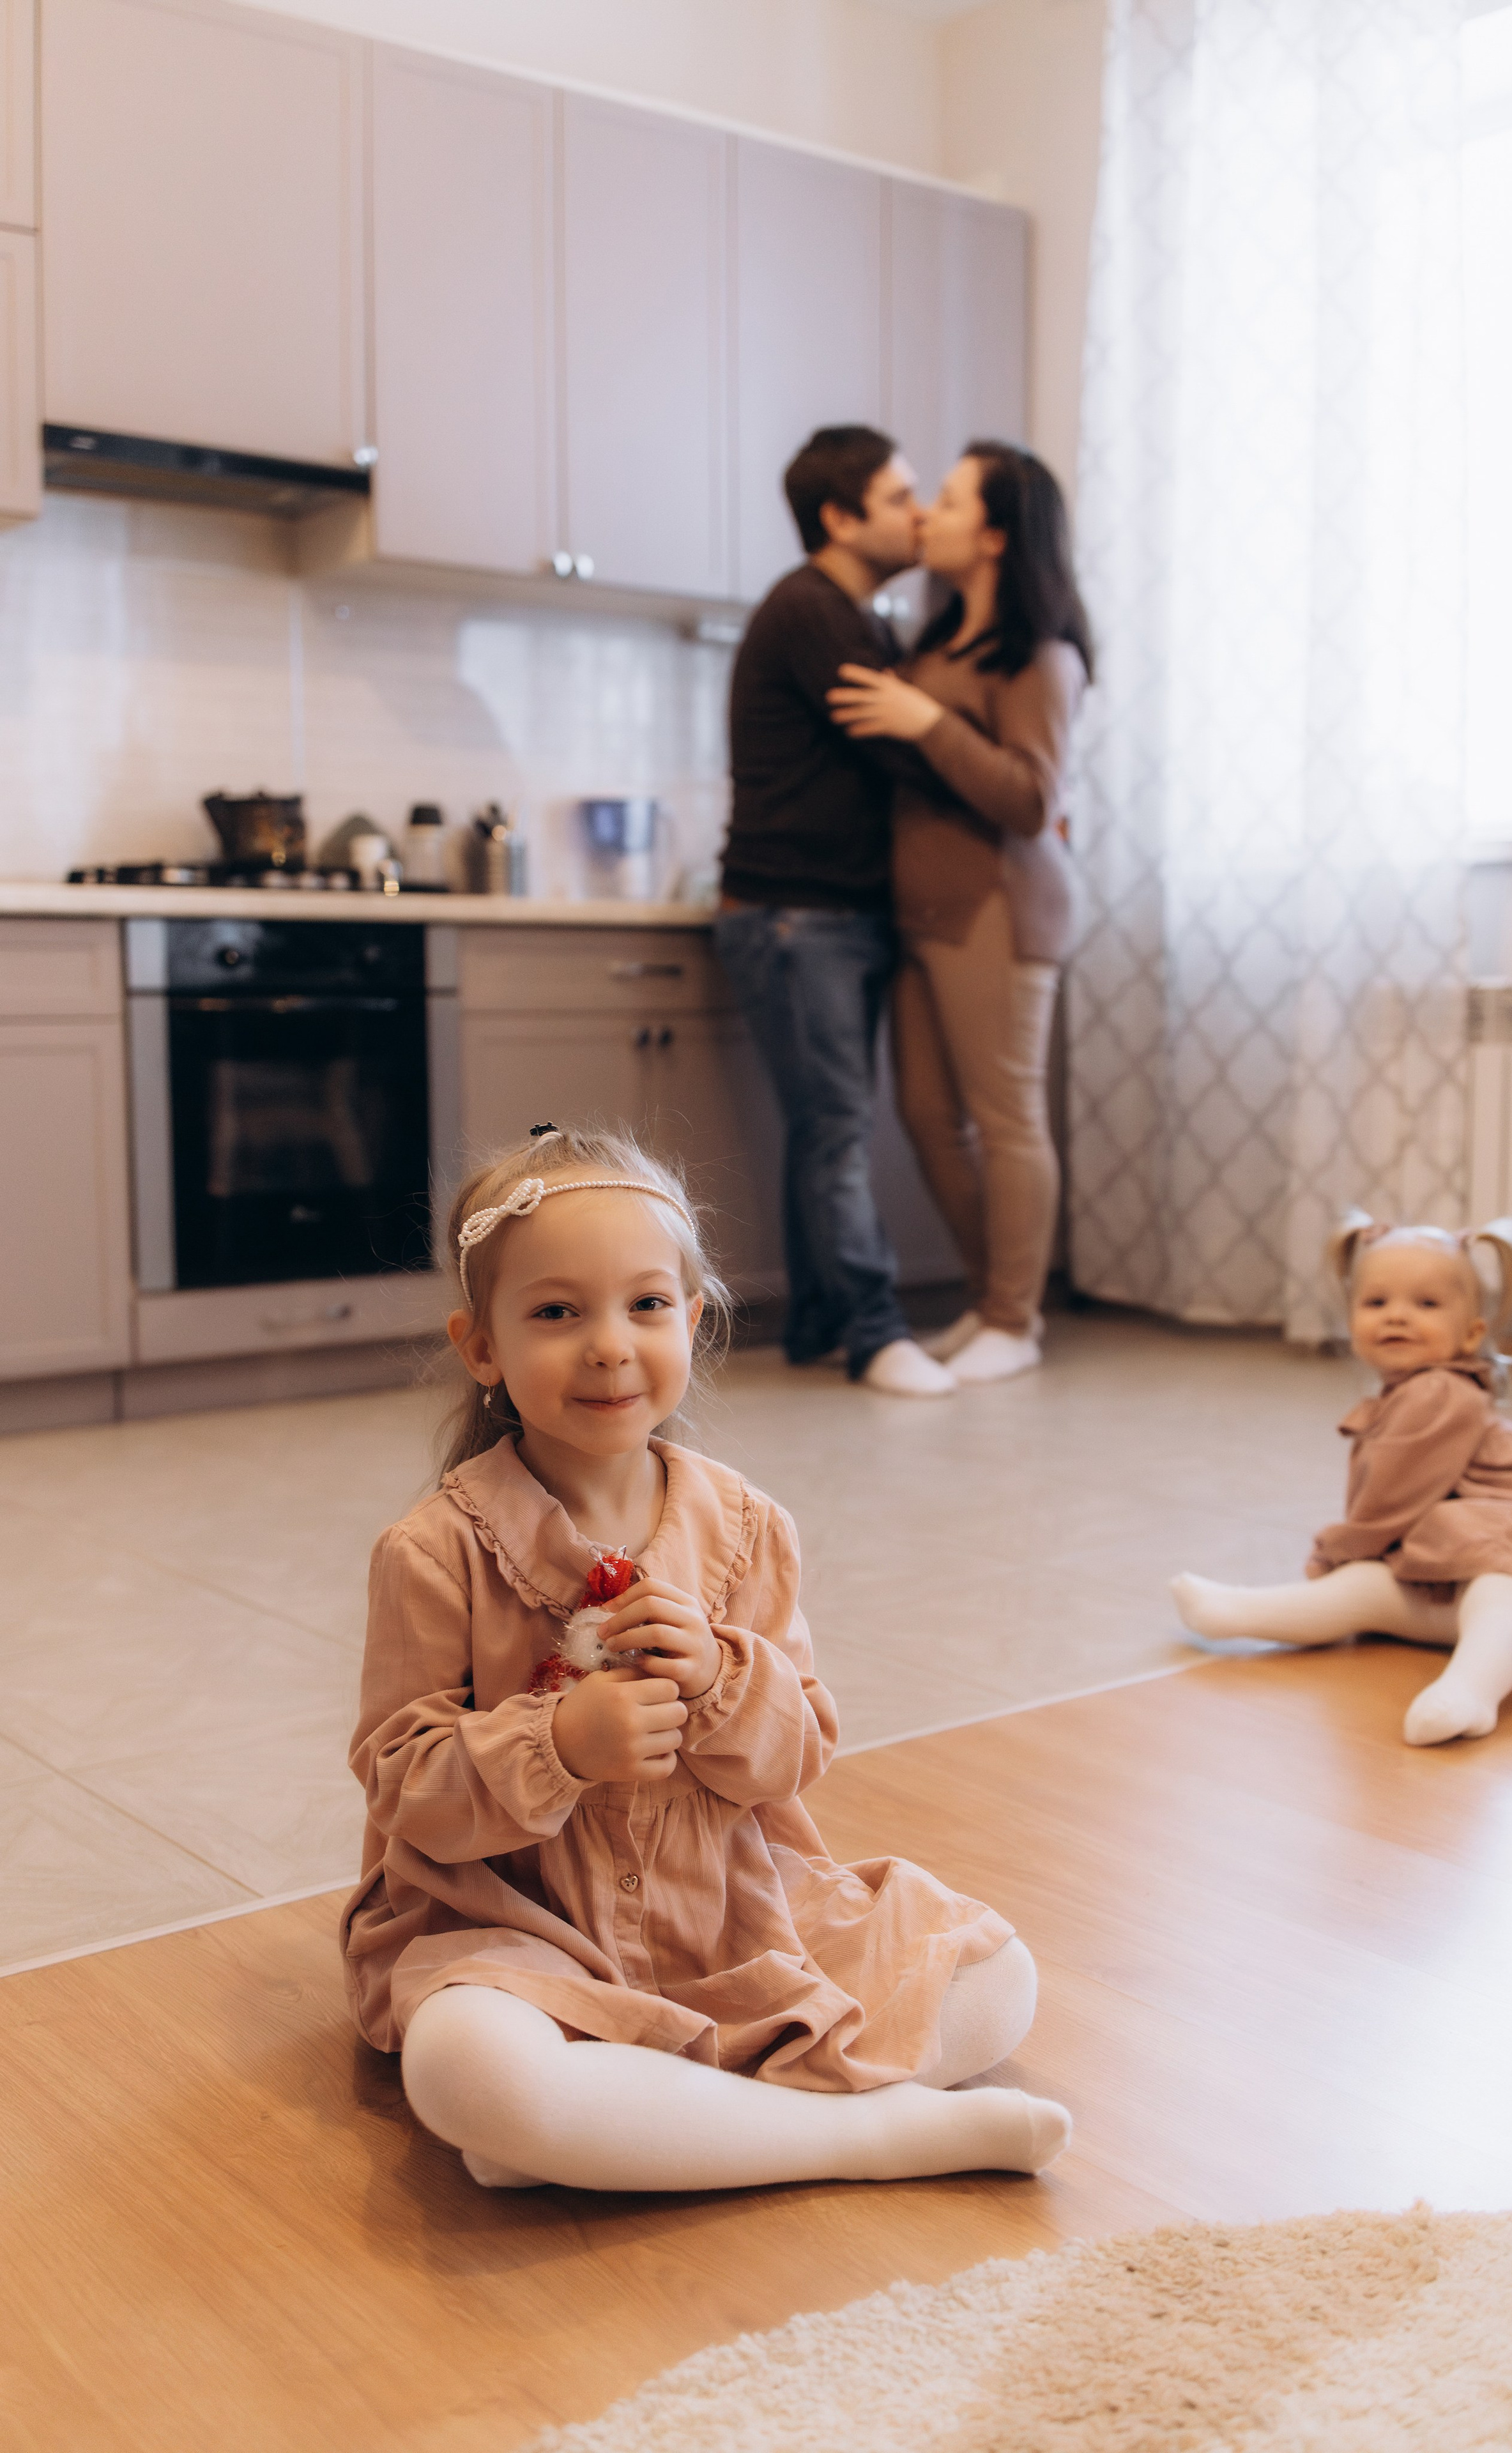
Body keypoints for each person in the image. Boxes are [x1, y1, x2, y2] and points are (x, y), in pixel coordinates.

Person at [342, 1122, 1071, 2191]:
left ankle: (612, 2131)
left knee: (1001, 1979)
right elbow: (405, 1787)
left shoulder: (748, 1529)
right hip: (515, 1931)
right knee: (469, 2070)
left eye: (645, 1305)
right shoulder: (434, 1550)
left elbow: (799, 1751)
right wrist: (558, 1745)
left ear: (690, 1320)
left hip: (733, 1914)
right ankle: (865, 2138)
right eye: (557, 1313)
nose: (609, 1345)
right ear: (481, 1346)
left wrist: (725, 1682)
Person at [827, 443, 1093, 1386]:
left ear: (994, 535)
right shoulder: (934, 648)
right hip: (923, 911)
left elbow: (1031, 799)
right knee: (930, 1118)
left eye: (946, 501)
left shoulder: (1042, 657)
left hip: (999, 907)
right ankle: (990, 1303)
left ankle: (1015, 1320)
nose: (925, 516)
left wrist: (927, 724)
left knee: (1005, 1117)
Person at [715, 425, 958, 1398]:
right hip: (796, 914)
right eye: (901, 498)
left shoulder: (851, 616)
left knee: (825, 1128)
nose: (922, 514)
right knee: (837, 1129)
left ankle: (820, 1323)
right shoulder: (816, 611)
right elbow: (904, 752)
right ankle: (874, 1331)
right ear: (840, 518)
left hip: (820, 914)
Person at [1170, 1215, 1512, 1746]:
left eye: (1426, 1304)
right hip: (1456, 1574)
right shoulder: (1405, 1395)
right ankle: (1238, 1612)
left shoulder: (1438, 1392)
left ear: (1472, 1333)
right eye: (1377, 1302)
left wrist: (1333, 1551)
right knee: (1365, 1589)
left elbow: (1389, 1506)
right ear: (1352, 1321)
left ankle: (1472, 1691)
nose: (1397, 1316)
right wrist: (1352, 1562)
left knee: (1498, 1602)